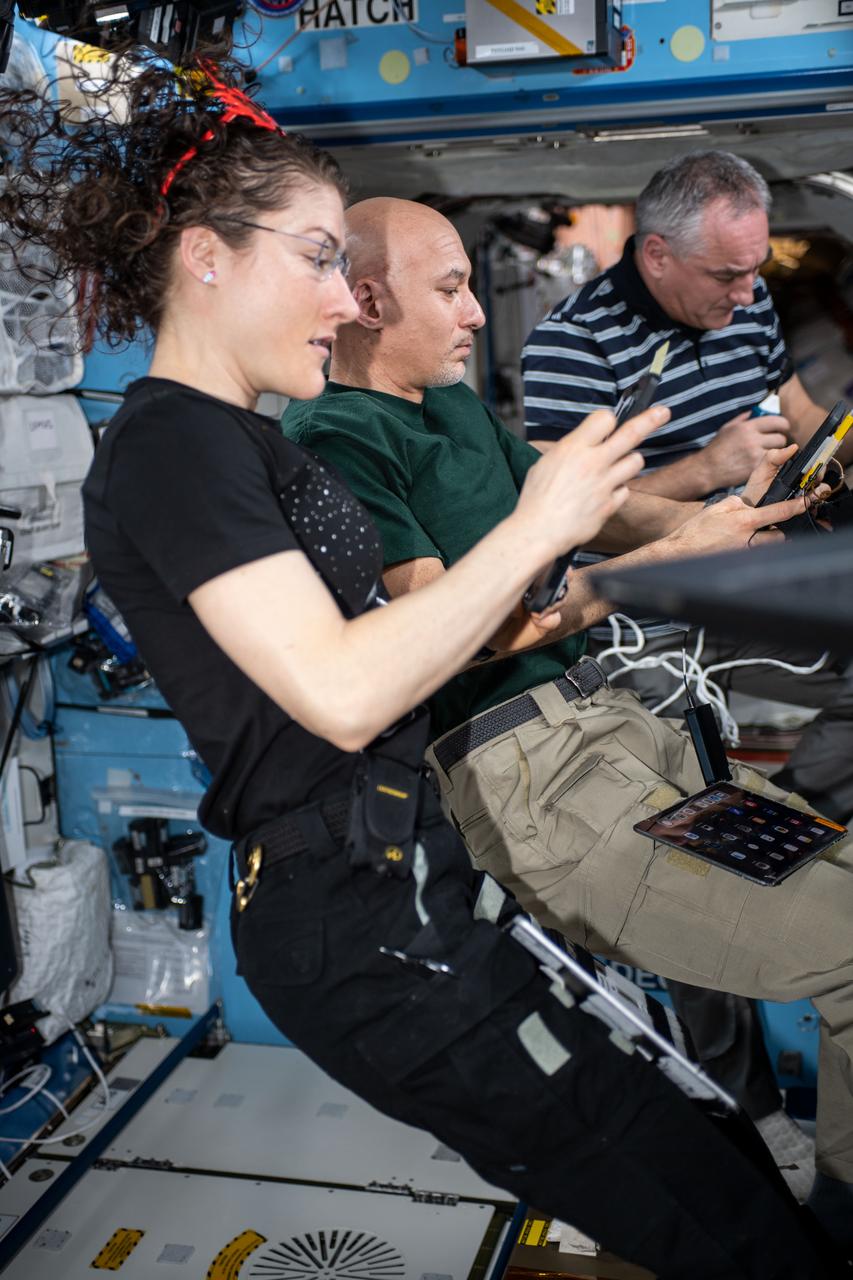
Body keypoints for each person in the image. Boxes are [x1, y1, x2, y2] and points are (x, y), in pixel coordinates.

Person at [1, 50, 836, 1280]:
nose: (344, 298)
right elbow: (343, 689)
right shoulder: (172, 443)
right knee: (701, 1207)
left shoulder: (241, 437)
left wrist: (647, 535)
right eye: (317, 257)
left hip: (416, 873)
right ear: (207, 257)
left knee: (707, 1155)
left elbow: (418, 642)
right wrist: (541, 528)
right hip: (351, 916)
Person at [281, 194, 853, 1253]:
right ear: (366, 301)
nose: (474, 314)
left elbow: (590, 512)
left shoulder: (449, 406)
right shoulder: (334, 440)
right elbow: (447, 633)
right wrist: (659, 565)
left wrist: (732, 521)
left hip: (615, 736)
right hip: (533, 781)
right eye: (451, 289)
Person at [521, 149, 853, 1183]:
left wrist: (834, 444)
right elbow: (579, 513)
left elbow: (793, 413)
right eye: (727, 275)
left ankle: (804, 821)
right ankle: (748, 1102)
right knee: (690, 845)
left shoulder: (741, 302)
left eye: (757, 271)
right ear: (656, 254)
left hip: (754, 569)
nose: (749, 293)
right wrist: (708, 476)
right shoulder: (572, 344)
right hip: (646, 608)